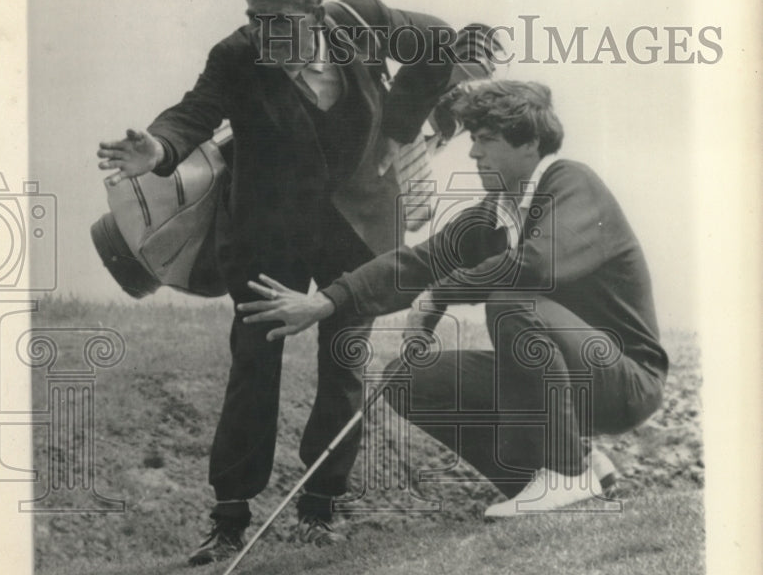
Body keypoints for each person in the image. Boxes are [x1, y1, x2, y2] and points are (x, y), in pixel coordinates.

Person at [97, 0, 457, 561]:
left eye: (280, 21)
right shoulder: (236, 54)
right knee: (254, 363)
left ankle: (320, 508)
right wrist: (158, 149)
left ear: (314, 11)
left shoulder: (363, 20)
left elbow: (442, 44)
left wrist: (399, 127)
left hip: (359, 223)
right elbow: (194, 114)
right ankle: (230, 516)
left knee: (344, 357)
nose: (266, 34)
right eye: (256, 18)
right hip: (269, 228)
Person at [237, 79, 668, 518]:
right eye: (473, 140)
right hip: (567, 376)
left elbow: (534, 266)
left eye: (487, 140)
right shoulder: (494, 213)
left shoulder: (572, 182)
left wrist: (439, 294)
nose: (474, 152)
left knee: (510, 300)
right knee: (407, 379)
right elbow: (416, 263)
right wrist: (324, 302)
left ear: (531, 144)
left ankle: (566, 473)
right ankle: (557, 481)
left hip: (625, 379)